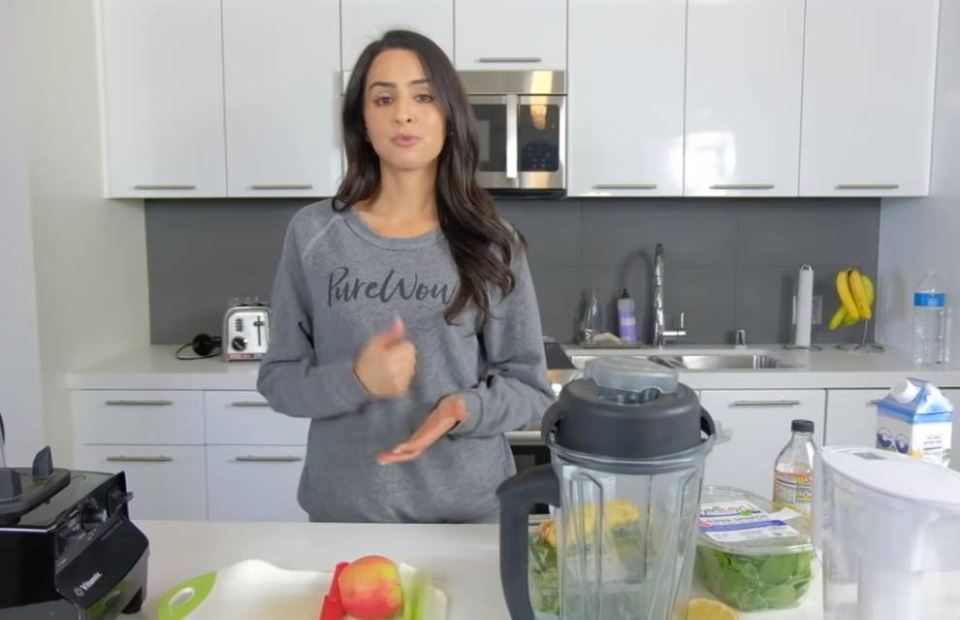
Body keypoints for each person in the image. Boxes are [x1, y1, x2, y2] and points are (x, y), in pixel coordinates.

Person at [257, 30, 554, 523]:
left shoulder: (492, 242)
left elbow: (529, 387)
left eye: (423, 96)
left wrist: (463, 409)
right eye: (383, 99)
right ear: (362, 121)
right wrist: (355, 380)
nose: (403, 114)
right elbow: (278, 379)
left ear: (449, 116)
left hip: (468, 517)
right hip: (347, 515)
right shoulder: (314, 234)